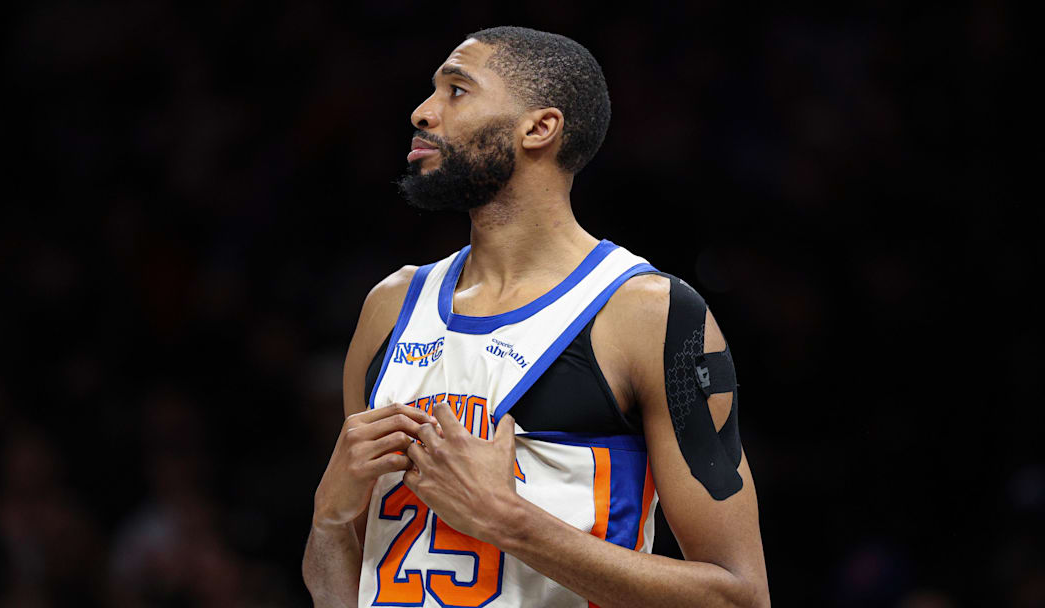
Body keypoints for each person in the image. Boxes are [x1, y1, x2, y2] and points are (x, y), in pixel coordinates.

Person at [302, 26, 769, 608]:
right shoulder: (392, 304)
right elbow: (338, 587)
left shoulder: (646, 312)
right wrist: (326, 520)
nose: (423, 113)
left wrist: (508, 521)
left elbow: (740, 596)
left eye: (456, 90)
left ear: (539, 128)